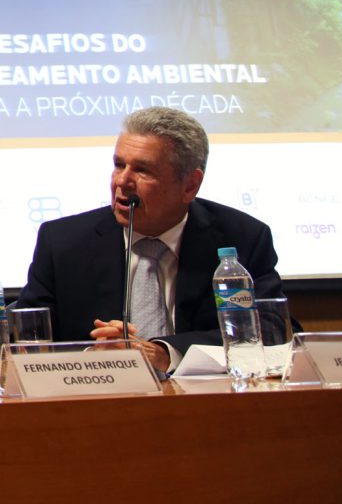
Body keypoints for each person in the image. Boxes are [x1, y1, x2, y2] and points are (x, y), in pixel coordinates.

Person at [16, 106, 284, 373]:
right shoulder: (63, 242)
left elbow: (273, 328)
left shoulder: (242, 236)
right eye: (119, 165)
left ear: (190, 185)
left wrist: (166, 352)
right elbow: (26, 335)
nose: (122, 181)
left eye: (143, 170)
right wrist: (94, 356)